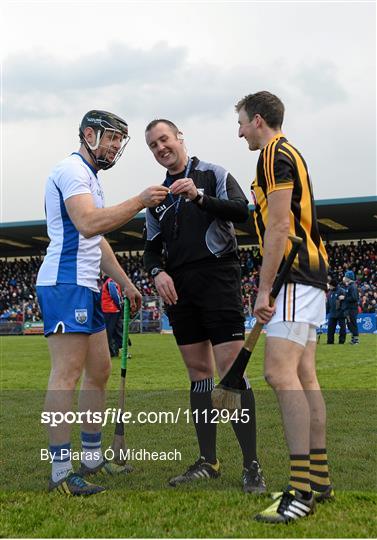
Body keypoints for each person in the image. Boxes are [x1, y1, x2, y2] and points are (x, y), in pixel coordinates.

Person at [36, 110, 168, 496]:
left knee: (100, 370)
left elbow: (99, 241)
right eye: (110, 138)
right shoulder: (72, 170)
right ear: (89, 134)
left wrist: (125, 282)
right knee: (67, 374)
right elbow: (89, 224)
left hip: (87, 285)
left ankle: (92, 457)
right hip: (65, 283)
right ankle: (61, 471)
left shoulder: (90, 178)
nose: (114, 146)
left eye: (118, 141)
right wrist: (140, 200)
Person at [143, 119, 265, 493]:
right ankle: (208, 460)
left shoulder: (213, 173)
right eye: (153, 145)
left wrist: (198, 196)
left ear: (179, 138)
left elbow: (242, 212)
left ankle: (251, 466)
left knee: (230, 371)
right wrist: (157, 272)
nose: (160, 147)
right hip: (180, 289)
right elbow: (150, 248)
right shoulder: (157, 197)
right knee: (199, 374)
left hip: (218, 280)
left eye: (164, 139)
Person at [236, 92, 333, 523]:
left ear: (258, 120)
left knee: (278, 373)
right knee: (304, 375)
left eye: (240, 123)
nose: (239, 132)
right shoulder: (289, 151)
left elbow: (278, 225)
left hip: (293, 274)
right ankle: (320, 478)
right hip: (311, 275)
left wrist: (264, 288)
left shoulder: (273, 153)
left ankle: (299, 491)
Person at [101, 275, 123, 357]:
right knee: (115, 331)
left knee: (109, 332)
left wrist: (119, 306)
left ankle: (111, 352)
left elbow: (115, 296)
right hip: (111, 310)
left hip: (110, 310)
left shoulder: (110, 282)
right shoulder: (111, 282)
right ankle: (115, 351)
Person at [326, 278, 346, 345]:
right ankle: (330, 341)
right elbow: (328, 303)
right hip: (332, 313)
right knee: (330, 328)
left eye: (330, 285)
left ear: (333, 285)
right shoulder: (329, 292)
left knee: (342, 328)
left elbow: (345, 302)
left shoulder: (341, 291)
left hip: (341, 313)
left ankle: (341, 341)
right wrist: (326, 311)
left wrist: (342, 309)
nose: (329, 287)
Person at [342, 270, 360, 344]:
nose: (344, 277)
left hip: (352, 309)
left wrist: (344, 298)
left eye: (345, 276)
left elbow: (354, 298)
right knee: (350, 324)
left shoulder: (352, 287)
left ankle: (356, 340)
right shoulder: (350, 286)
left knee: (352, 324)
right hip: (349, 308)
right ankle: (353, 339)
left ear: (348, 277)